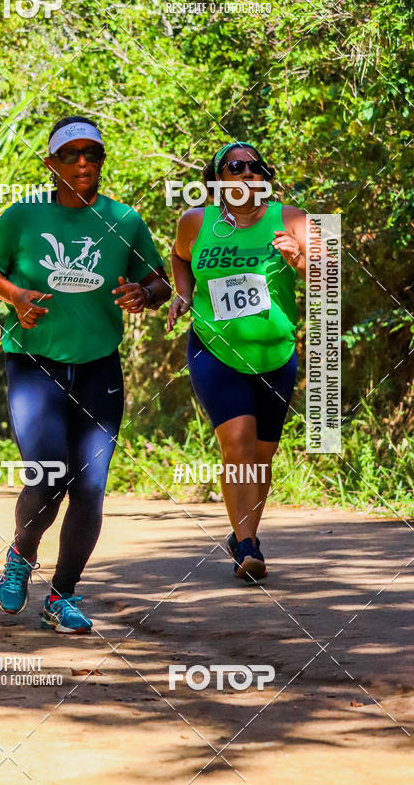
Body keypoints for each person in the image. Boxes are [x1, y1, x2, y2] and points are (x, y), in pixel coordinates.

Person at [0, 115, 171, 634]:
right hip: (35, 363)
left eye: (93, 154)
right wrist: (14, 295)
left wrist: (144, 295)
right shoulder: (21, 216)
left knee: (90, 485)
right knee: (47, 473)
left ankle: (62, 596)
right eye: (72, 154)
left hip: (98, 366)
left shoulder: (124, 220)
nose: (84, 162)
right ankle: (22, 552)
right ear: (51, 163)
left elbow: (160, 281)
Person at [167, 142, 307, 581]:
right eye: (236, 167)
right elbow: (179, 256)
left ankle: (245, 533)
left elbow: (329, 274)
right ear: (218, 180)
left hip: (275, 354)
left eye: (255, 167)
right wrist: (183, 292)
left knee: (262, 455)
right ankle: (247, 546)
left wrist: (300, 259)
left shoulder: (292, 218)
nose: (248, 173)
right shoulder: (195, 222)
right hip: (214, 350)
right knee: (238, 442)